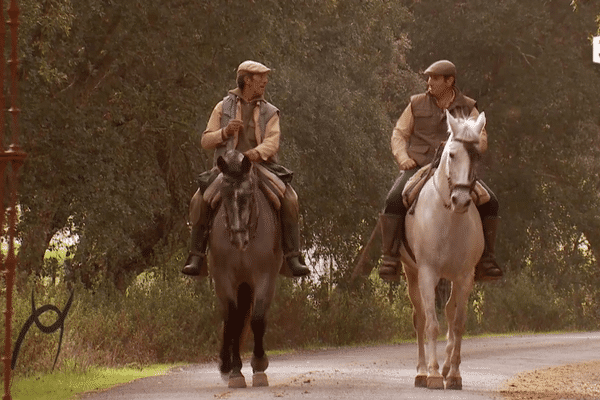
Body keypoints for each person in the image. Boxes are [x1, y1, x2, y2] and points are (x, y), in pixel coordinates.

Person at [181, 60, 310, 278]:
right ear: (246, 81)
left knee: (290, 199)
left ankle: (292, 257)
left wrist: (252, 154)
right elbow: (205, 140)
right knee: (198, 200)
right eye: (260, 79)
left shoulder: (271, 112)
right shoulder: (222, 107)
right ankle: (196, 256)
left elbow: (272, 142)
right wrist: (224, 132)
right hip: (227, 170)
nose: (265, 82)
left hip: (260, 166)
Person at [380, 59, 503, 282]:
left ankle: (487, 260)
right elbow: (399, 133)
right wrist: (403, 157)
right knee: (393, 200)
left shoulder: (468, 107)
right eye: (429, 78)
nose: (429, 82)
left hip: (456, 169)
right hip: (419, 167)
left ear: (449, 81)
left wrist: (466, 144)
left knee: (491, 202)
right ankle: (390, 258)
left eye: (435, 78)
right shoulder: (416, 104)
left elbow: (481, 138)